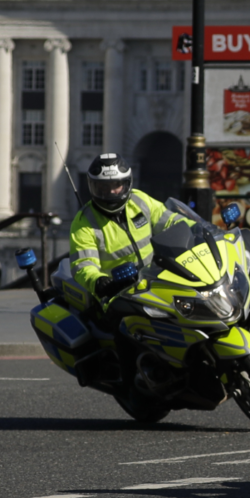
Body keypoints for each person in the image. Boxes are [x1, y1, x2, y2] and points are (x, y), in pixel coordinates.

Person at [69, 153, 193, 389]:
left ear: (127, 184)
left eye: (116, 185)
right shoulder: (84, 223)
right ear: (92, 186)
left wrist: (197, 230)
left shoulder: (139, 200)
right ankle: (131, 386)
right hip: (117, 291)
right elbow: (83, 266)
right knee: (126, 330)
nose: (112, 192)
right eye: (103, 187)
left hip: (155, 276)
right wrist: (100, 282)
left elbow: (168, 220)